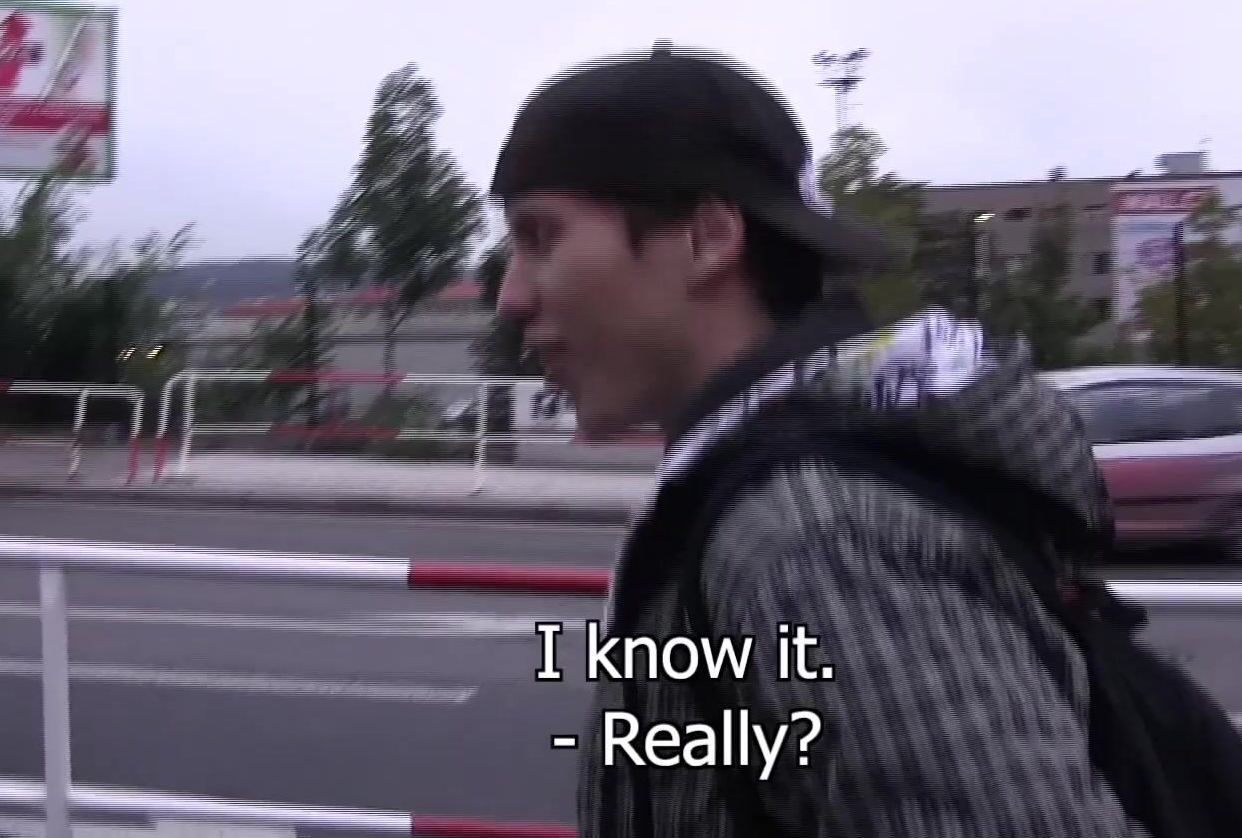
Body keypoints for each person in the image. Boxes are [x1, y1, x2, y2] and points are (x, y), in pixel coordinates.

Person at [490, 44, 1172, 838]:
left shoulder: (816, 540)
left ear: (708, 237)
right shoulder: (786, 496)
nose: (511, 296)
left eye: (540, 236)